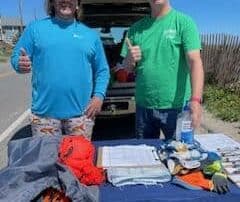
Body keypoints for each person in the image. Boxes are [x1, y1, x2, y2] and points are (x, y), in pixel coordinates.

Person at [11, 0, 110, 139]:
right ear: (52, 3)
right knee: (45, 161)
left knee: (78, 160)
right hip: (43, 117)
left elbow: (102, 70)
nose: (65, 1)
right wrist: (19, 64)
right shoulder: (35, 29)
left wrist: (99, 96)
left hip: (81, 116)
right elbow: (16, 56)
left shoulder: (90, 36)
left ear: (77, 4)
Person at [121, 0, 204, 140]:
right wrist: (129, 59)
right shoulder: (135, 29)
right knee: (145, 156)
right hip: (144, 106)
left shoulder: (184, 22)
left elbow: (195, 62)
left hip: (176, 108)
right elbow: (127, 68)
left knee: (180, 156)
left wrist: (195, 100)